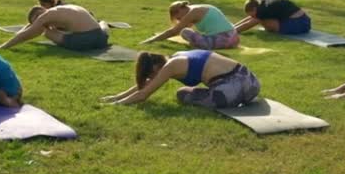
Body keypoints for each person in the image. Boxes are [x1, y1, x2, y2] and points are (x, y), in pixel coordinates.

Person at [101, 50, 260, 108]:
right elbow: (144, 85)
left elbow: (144, 94)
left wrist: (115, 104)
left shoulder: (171, 65)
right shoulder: (179, 55)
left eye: (150, 74)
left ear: (156, 67)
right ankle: (239, 97)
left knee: (182, 93)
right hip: (251, 83)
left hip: (229, 90)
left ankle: (231, 98)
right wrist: (116, 96)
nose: (151, 78)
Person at [0, 4, 108, 51]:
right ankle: (103, 22)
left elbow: (26, 34)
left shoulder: (46, 16)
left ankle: (102, 23)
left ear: (39, 15)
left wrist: (3, 46)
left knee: (46, 32)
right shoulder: (63, 9)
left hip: (84, 42)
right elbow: (30, 27)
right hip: (102, 38)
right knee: (102, 25)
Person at [140, 1, 239, 49]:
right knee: (188, 32)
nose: (180, 20)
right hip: (234, 38)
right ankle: (204, 42)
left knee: (185, 32)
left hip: (224, 39)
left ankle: (203, 44)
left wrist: (151, 40)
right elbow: (178, 28)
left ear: (181, 10)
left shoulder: (193, 12)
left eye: (178, 18)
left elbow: (174, 31)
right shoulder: (196, 8)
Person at [234, 0, 311, 34]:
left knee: (263, 22)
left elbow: (249, 24)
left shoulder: (262, 11)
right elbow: (250, 19)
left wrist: (232, 32)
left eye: (252, 15)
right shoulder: (262, 5)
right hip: (304, 20)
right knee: (260, 19)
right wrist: (232, 26)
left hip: (300, 24)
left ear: (254, 9)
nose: (252, 17)